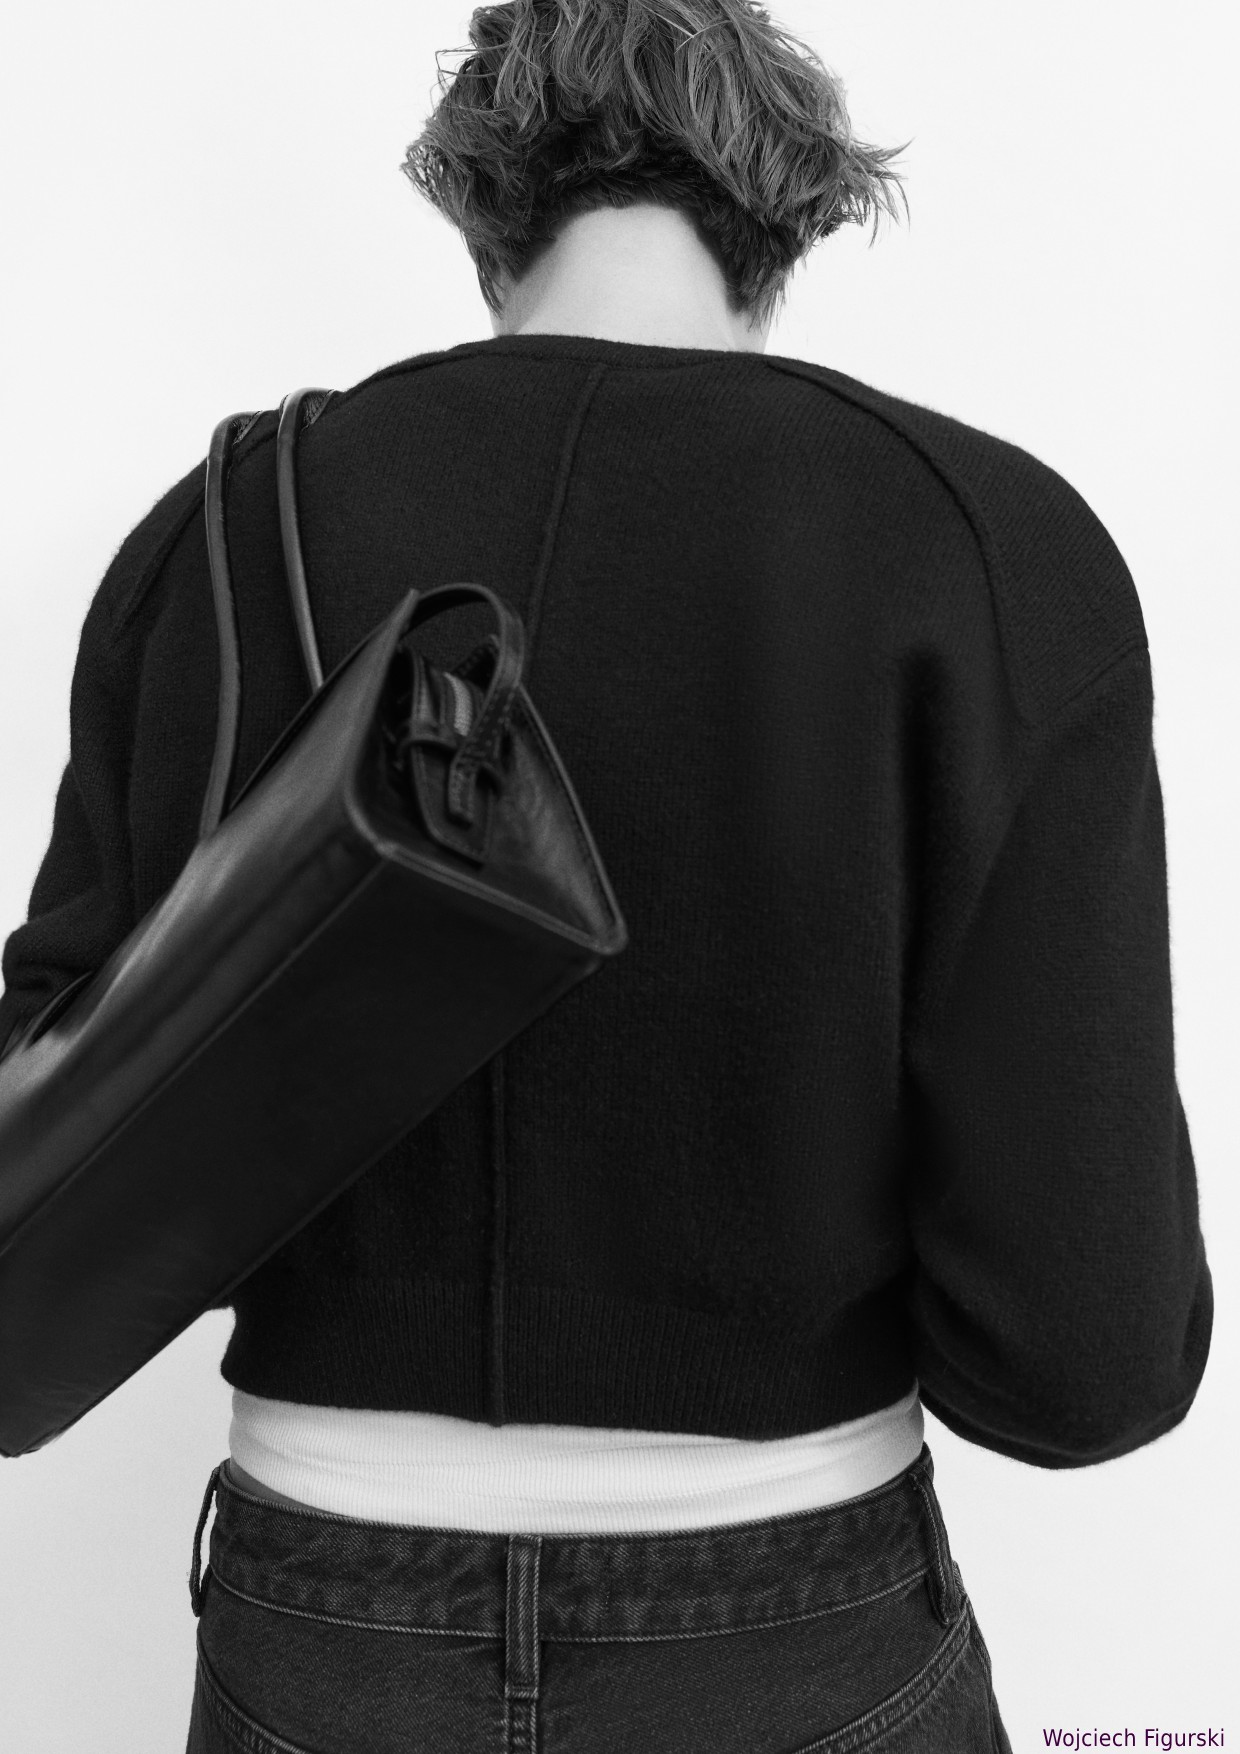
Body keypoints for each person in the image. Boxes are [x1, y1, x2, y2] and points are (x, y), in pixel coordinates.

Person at [0, 2, 1211, 1750]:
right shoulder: (985, 547)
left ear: (483, 207)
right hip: (794, 1607)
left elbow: (61, 1110)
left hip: (316, 1613)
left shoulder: (219, 535)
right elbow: (1084, 1359)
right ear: (786, 216)